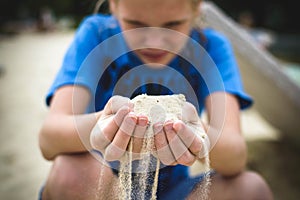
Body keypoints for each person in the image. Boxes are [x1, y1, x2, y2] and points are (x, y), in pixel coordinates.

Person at [38, 0, 274, 199]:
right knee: (71, 172)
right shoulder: (96, 35)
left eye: (173, 25)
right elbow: (49, 140)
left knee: (251, 189)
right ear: (114, 7)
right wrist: (104, 124)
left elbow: (235, 157)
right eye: (135, 24)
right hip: (99, 184)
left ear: (196, 10)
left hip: (174, 190)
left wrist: (196, 133)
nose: (154, 41)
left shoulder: (212, 47)